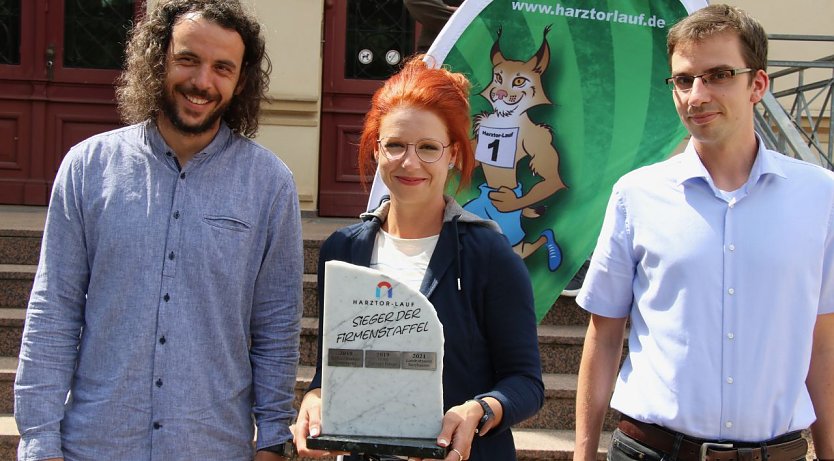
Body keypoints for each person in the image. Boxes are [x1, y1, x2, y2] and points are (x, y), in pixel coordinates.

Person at [14, 1, 303, 460]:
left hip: (213, 447)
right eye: (187, 59)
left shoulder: (270, 185)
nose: (202, 81)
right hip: (97, 446)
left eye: (222, 67)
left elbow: (276, 326)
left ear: (240, 81)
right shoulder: (88, 168)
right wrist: (39, 440)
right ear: (157, 59)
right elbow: (53, 313)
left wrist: (272, 439)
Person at [574, 4, 833, 461]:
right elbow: (605, 335)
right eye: (683, 79)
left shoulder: (820, 196)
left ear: (758, 84)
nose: (696, 95)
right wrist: (582, 454)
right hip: (650, 451)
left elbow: (824, 344)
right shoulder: (636, 194)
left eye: (718, 75)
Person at [292, 56, 544, 461]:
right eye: (395, 145)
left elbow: (526, 383)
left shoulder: (489, 254)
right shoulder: (342, 252)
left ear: (455, 155)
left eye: (429, 148)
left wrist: (477, 410)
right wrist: (315, 400)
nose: (409, 162)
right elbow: (333, 368)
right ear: (376, 150)